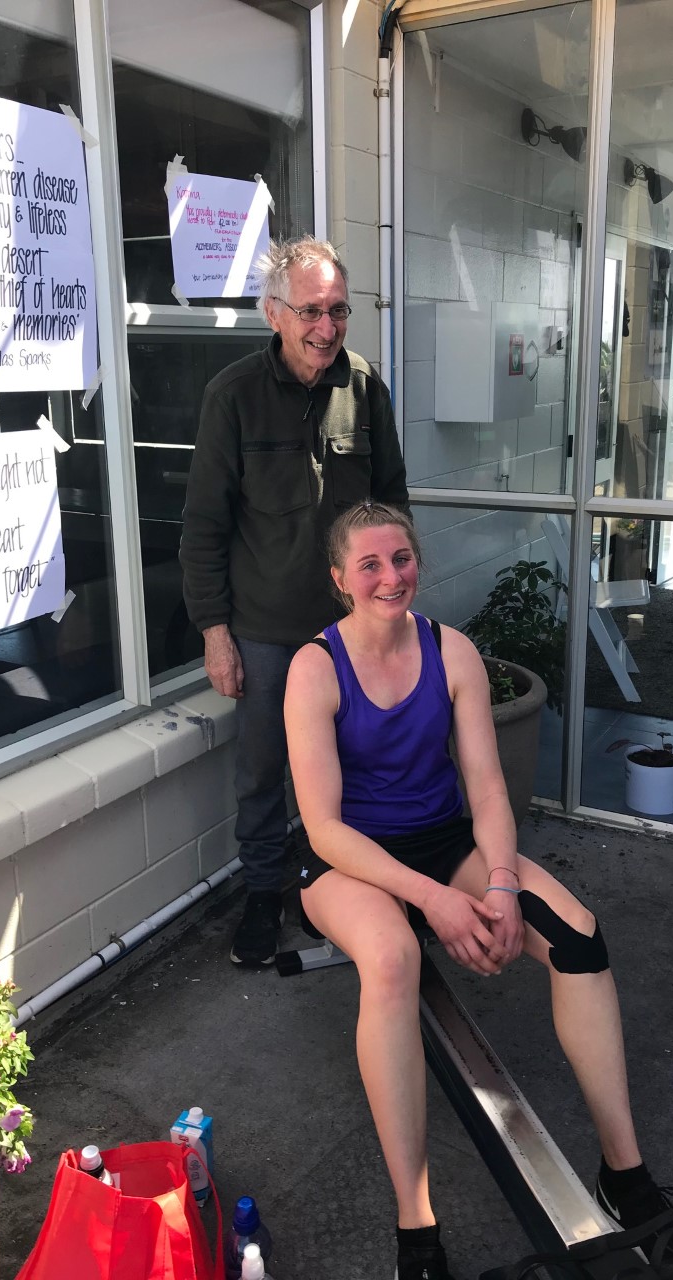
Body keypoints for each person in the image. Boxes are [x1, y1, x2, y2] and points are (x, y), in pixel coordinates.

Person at [284, 501, 673, 1280]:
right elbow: (323, 827)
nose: (392, 576)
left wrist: (505, 886)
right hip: (348, 861)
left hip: (443, 840)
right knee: (390, 961)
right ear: (340, 577)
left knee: (578, 936)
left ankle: (625, 1177)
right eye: (372, 564)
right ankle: (416, 1231)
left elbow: (485, 787)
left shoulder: (452, 652)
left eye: (403, 558)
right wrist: (438, 902)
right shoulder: (315, 667)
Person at [179, 237, 409, 967]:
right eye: (311, 310)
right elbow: (204, 527)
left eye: (338, 310)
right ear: (274, 313)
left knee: (353, 762)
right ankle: (261, 893)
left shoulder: (366, 387)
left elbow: (392, 502)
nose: (327, 326)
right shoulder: (233, 397)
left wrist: (390, 601)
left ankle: (329, 888)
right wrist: (216, 632)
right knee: (264, 770)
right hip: (267, 634)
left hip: (351, 632)